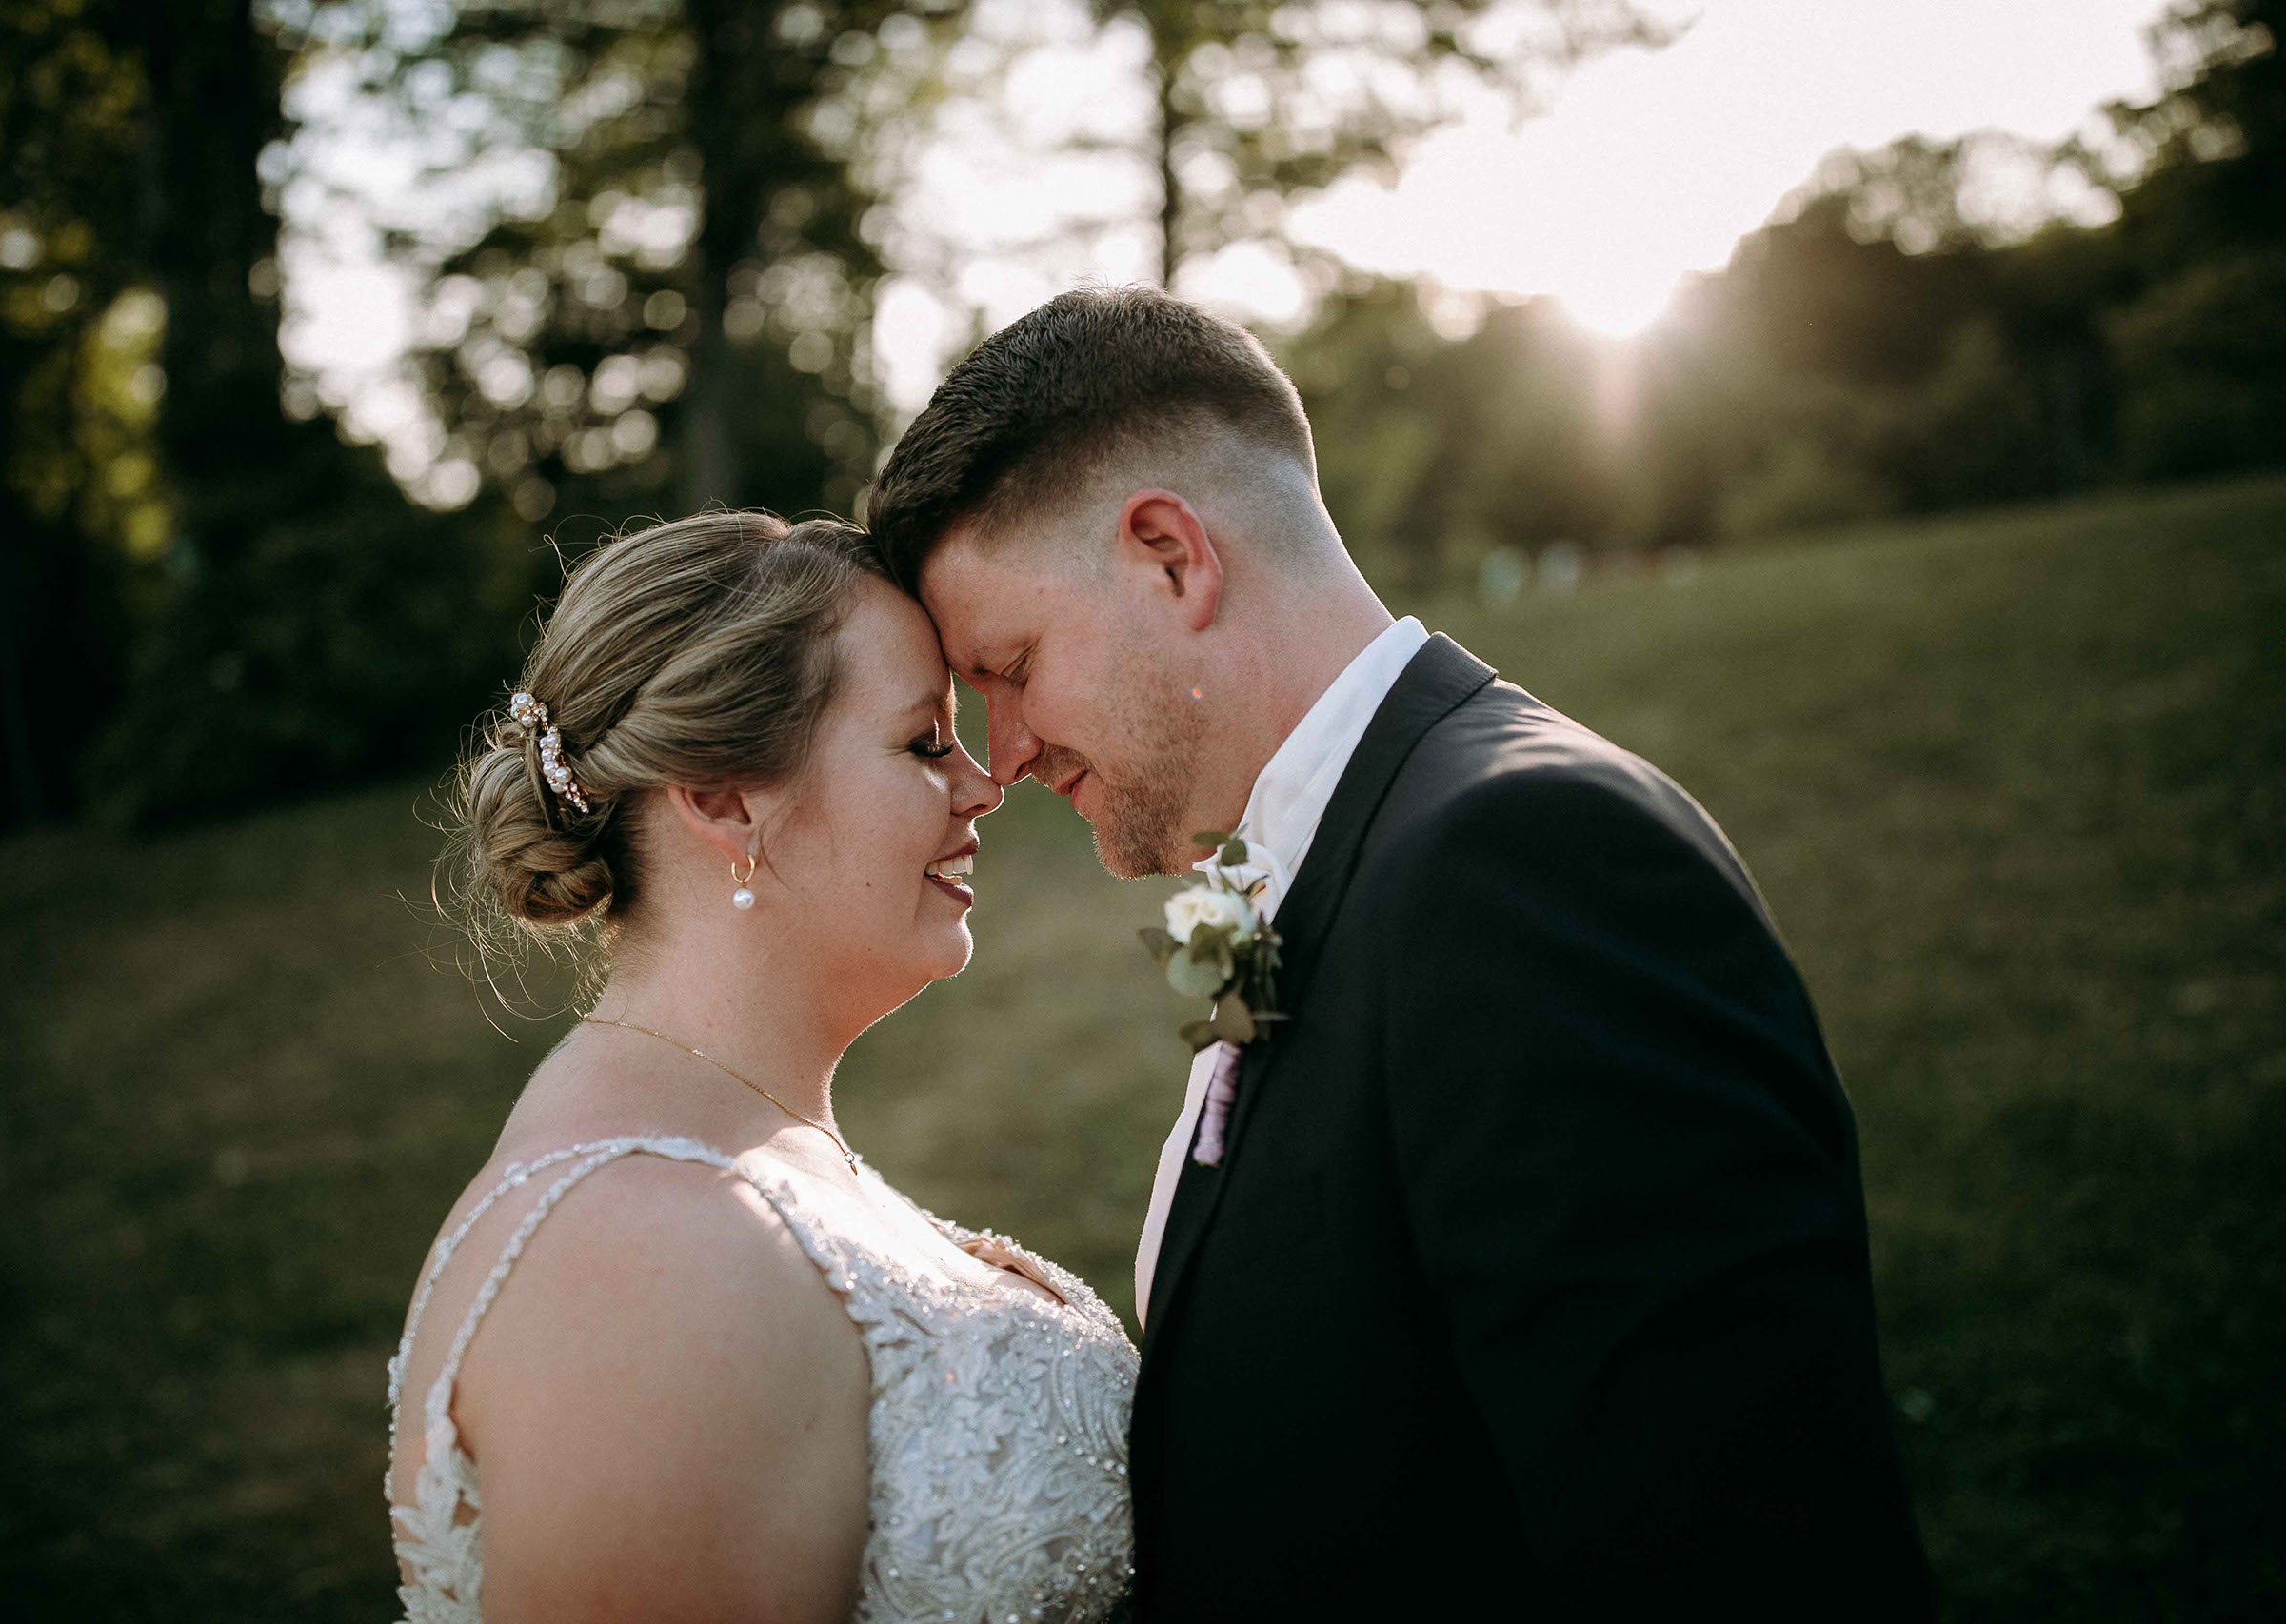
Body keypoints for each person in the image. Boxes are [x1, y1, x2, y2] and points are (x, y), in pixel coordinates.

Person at [866, 286, 1937, 1618]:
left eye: (1012, 663)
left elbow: (1734, 1552)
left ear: (1169, 556)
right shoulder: (1341, 863)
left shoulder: (1529, 868)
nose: (1007, 746)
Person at [384, 511, 1137, 1623]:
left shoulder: (739, 1149)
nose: (984, 785)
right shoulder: (637, 1253)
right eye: (926, 741)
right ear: (726, 798)